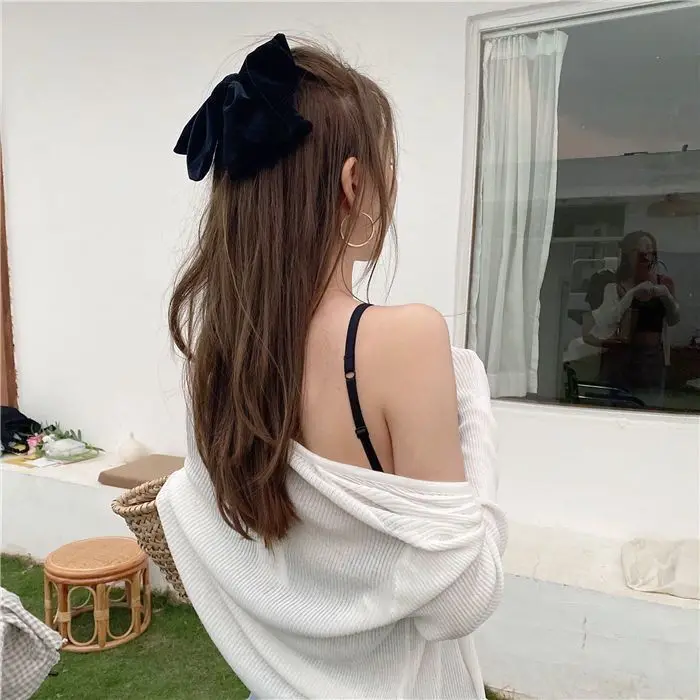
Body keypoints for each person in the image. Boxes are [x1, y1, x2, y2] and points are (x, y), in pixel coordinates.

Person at [157, 34, 506, 699]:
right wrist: (472, 403)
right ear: (353, 182)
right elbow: (461, 600)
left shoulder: (219, 362)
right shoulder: (406, 342)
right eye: (387, 166)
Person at [589, 230, 680, 407]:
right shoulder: (613, 286)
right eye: (638, 251)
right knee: (617, 407)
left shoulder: (664, 282)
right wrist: (631, 294)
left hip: (652, 358)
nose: (645, 254)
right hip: (620, 357)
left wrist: (667, 296)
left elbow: (674, 319)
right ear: (627, 255)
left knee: (650, 408)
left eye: (649, 249)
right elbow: (607, 320)